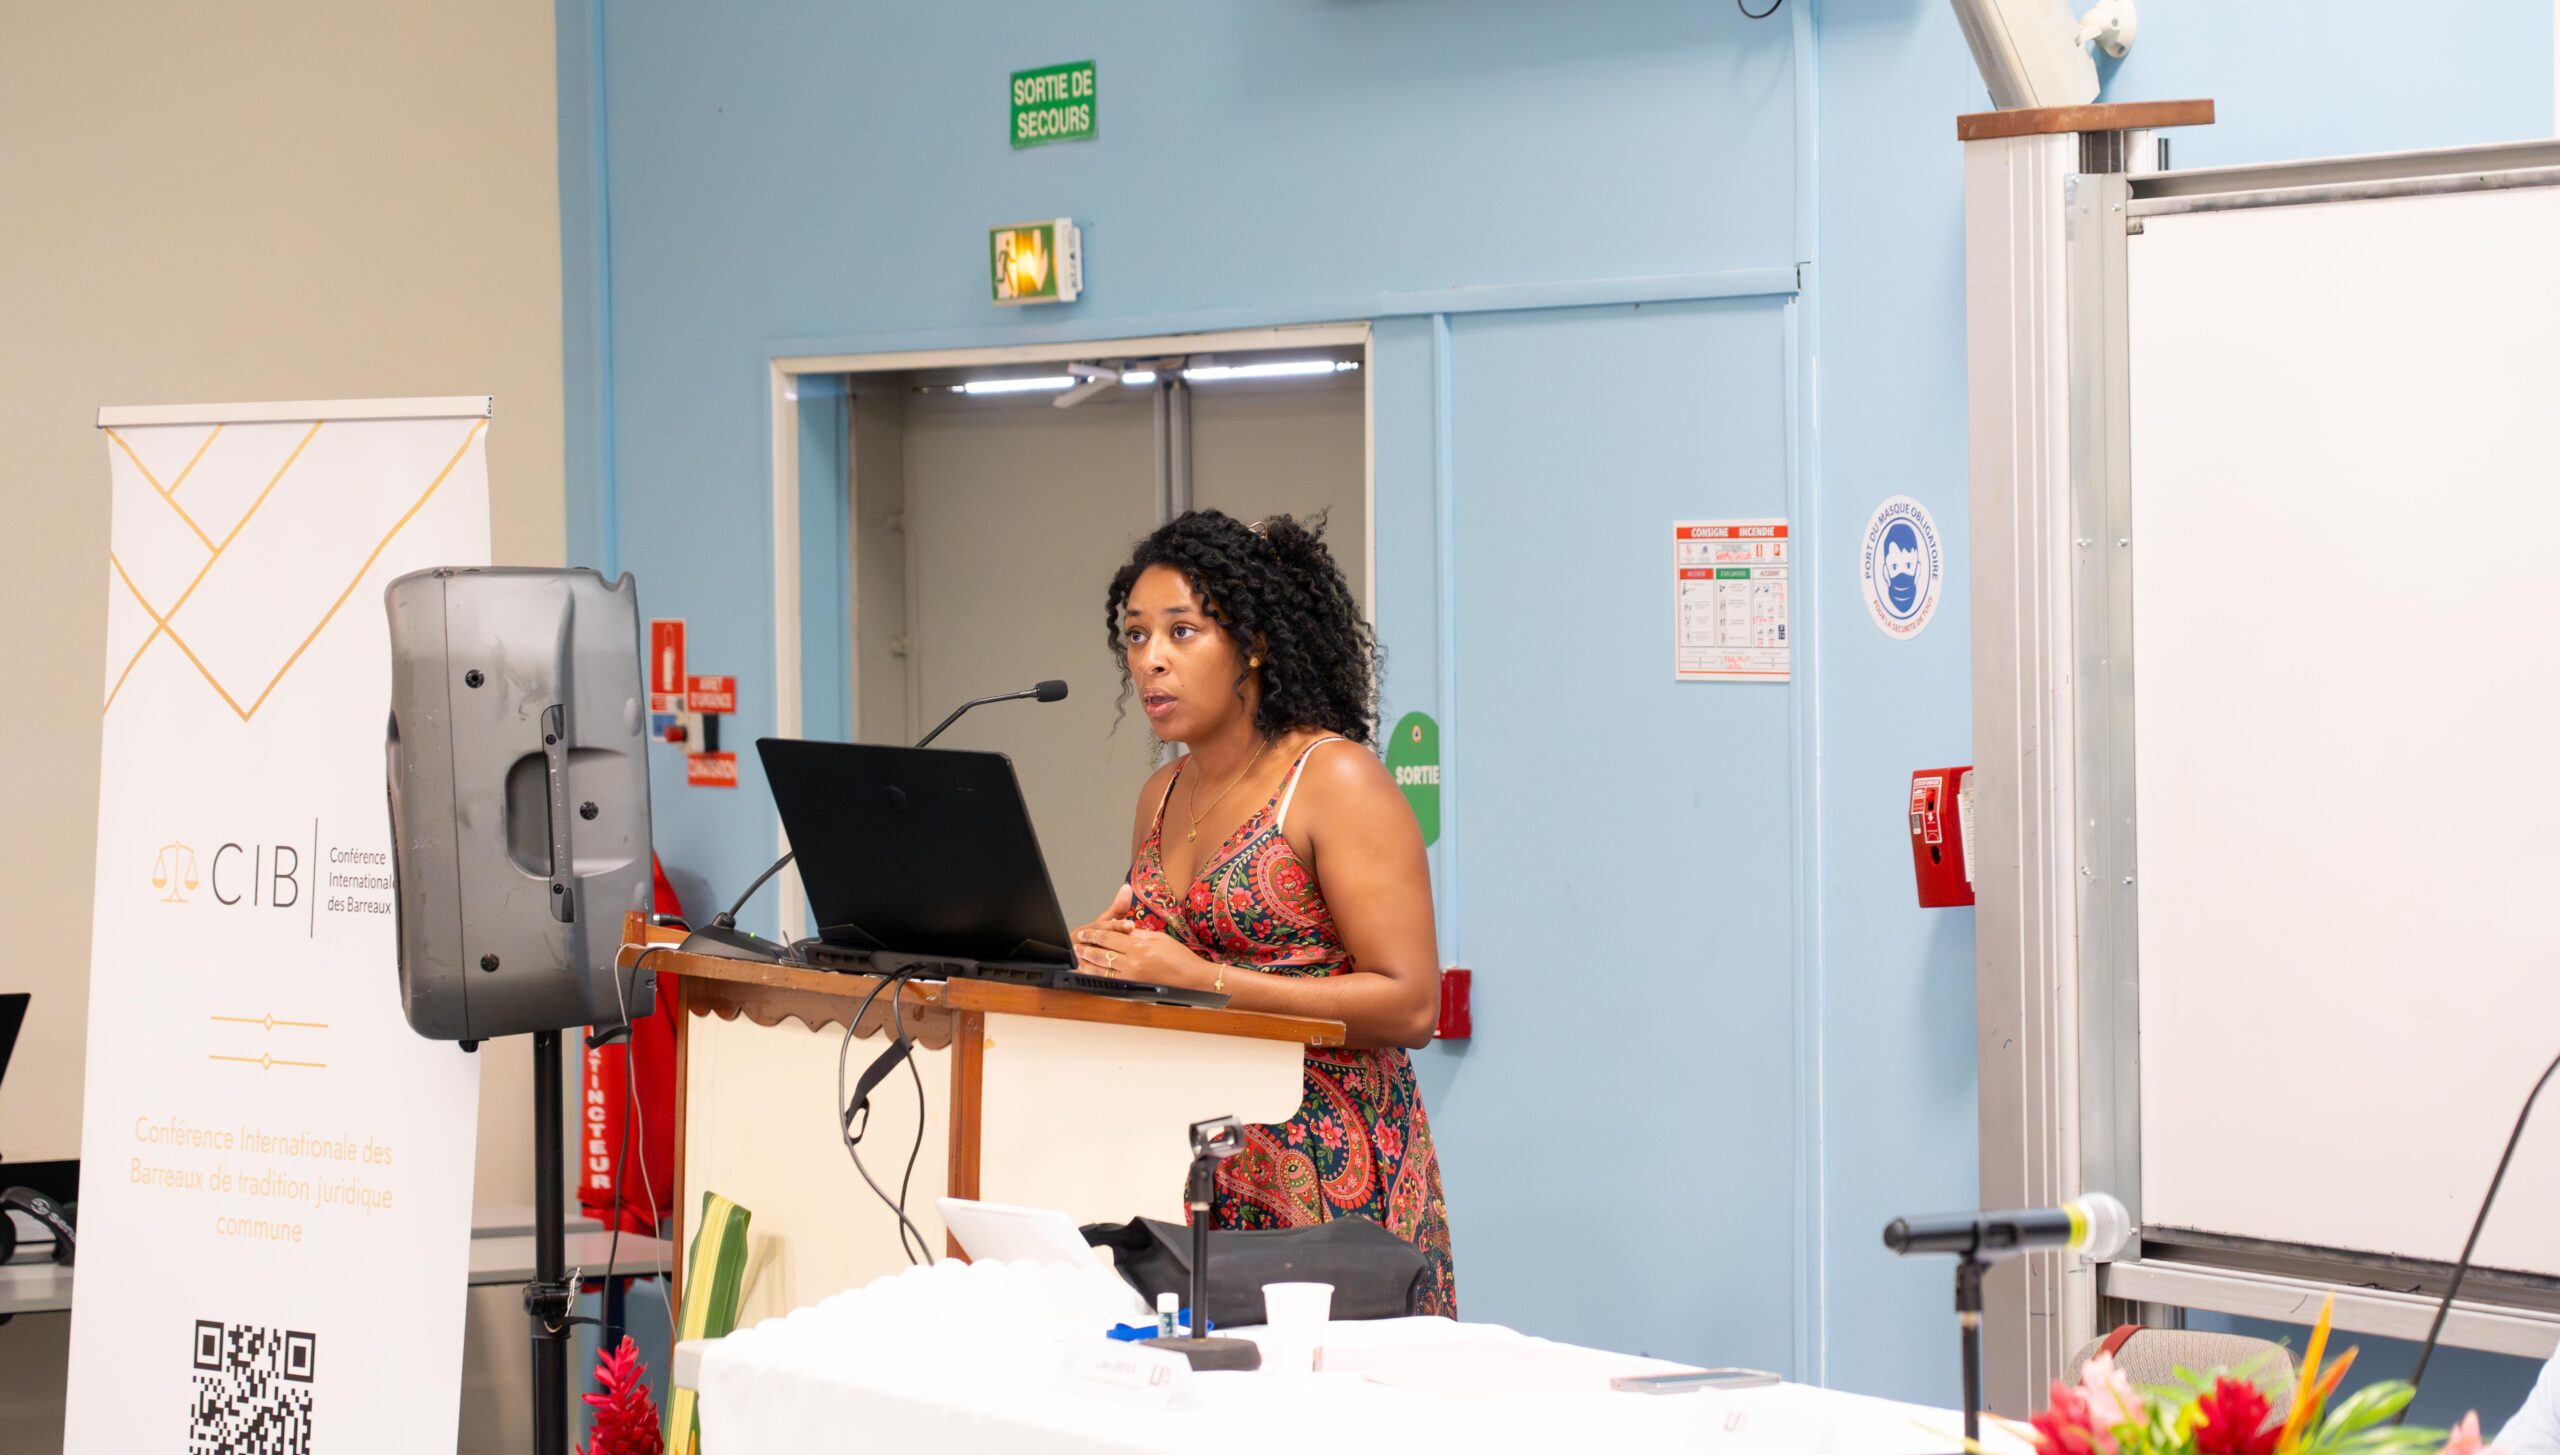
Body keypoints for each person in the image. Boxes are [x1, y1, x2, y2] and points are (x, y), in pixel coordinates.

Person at [1071, 508, 1456, 1315]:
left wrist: (1203, 978)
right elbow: (1165, 971)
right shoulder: (1160, 794)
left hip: (1328, 1172)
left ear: (1251, 643)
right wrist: (1107, 960)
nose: (1152, 661)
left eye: (1182, 631)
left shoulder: (1333, 778)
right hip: (1199, 1161)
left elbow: (1411, 1002)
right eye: (1136, 636)